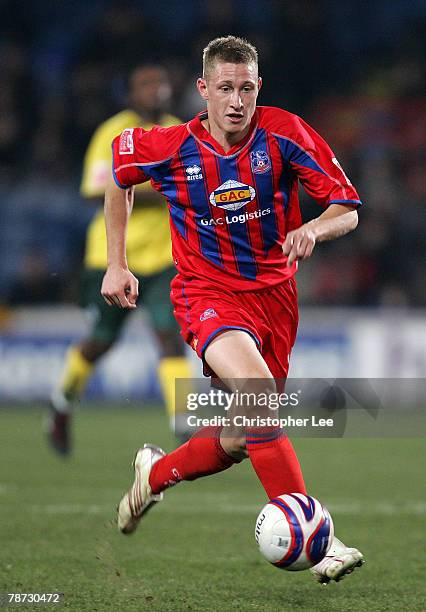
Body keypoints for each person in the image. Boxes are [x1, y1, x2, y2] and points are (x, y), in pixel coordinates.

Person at [101, 36, 364, 584]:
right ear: (204, 90)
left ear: (259, 88)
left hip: (275, 301)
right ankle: (318, 536)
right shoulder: (172, 145)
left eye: (246, 87)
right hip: (205, 294)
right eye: (225, 88)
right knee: (259, 396)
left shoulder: (285, 133)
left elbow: (347, 208)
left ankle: (157, 473)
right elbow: (118, 174)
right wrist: (117, 263)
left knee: (246, 433)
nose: (237, 100)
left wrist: (313, 227)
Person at [48, 64, 193, 454]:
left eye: (160, 82)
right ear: (131, 93)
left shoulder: (183, 131)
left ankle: (182, 427)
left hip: (165, 259)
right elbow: (97, 191)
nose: (156, 89)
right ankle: (61, 405)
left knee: (170, 339)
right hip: (112, 258)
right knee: (100, 342)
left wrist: (136, 183)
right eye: (145, 84)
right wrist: (159, 190)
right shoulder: (113, 132)